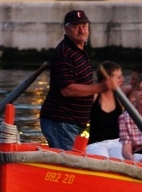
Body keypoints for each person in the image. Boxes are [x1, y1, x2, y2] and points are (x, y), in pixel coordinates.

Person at [39, 10, 116, 150]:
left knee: (70, 159)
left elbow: (83, 85)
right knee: (68, 163)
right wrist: (101, 87)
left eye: (84, 26)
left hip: (72, 122)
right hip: (61, 121)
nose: (82, 30)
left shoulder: (80, 50)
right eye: (76, 27)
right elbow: (67, 89)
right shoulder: (65, 52)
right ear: (66, 29)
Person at [85, 61, 125, 158]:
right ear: (109, 79)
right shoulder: (94, 96)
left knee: (122, 160)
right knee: (103, 160)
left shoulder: (121, 98)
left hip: (117, 143)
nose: (122, 80)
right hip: (96, 144)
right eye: (119, 77)